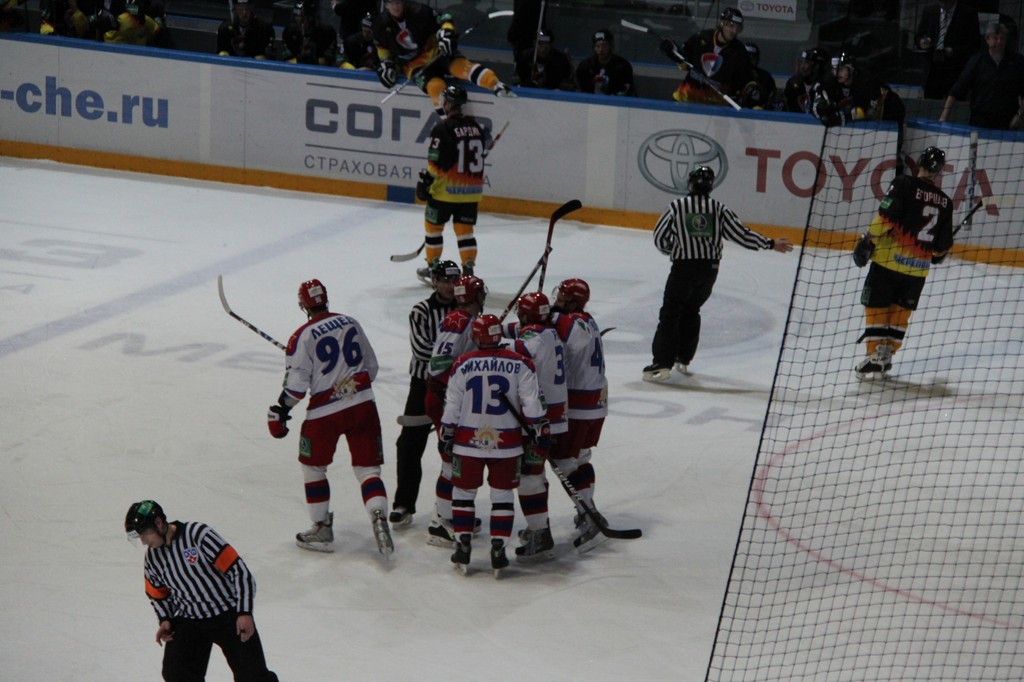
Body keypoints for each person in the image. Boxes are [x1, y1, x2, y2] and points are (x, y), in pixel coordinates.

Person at [266, 279, 394, 557]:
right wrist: (348, 384)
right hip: (363, 405)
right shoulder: (350, 322)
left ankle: (322, 528)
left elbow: (295, 389)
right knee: (368, 470)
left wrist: (280, 410)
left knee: (313, 467)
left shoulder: (301, 337)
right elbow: (371, 367)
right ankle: (378, 513)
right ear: (326, 298)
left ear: (303, 305)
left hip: (325, 414)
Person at [643, 166, 793, 383]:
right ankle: (684, 356)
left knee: (671, 313)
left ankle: (662, 362)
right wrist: (769, 243)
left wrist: (672, 250)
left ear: (690, 183)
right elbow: (741, 234)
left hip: (683, 267)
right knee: (692, 309)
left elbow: (660, 238)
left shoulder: (677, 207)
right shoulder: (719, 209)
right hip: (709, 270)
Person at [125, 500, 279, 682]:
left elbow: (239, 572)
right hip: (190, 620)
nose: (143, 542)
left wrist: (244, 612)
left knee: (253, 677)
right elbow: (157, 594)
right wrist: (165, 619)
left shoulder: (198, 535)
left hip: (228, 615)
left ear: (159, 523)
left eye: (145, 535)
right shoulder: (152, 558)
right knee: (176, 673)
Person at [440, 314, 547, 575]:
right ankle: (498, 547)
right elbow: (533, 406)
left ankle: (463, 543)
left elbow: (452, 406)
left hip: (467, 442)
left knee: (463, 493)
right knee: (502, 495)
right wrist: (537, 430)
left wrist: (447, 433)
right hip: (507, 443)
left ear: (476, 337)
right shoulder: (521, 363)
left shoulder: (463, 363)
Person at [851, 146, 954, 379]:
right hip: (917, 272)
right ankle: (887, 355)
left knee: (876, 305)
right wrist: (938, 254)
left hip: (888, 262)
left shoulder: (904, 184)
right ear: (939, 171)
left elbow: (886, 217)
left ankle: (875, 354)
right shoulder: (946, 203)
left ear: (920, 162)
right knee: (900, 312)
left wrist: (868, 239)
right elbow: (941, 246)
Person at [390, 259, 461, 528]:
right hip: (423, 385)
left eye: (454, 281)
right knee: (409, 444)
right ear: (434, 282)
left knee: (459, 447)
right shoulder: (421, 311)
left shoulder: (466, 309)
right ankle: (404, 504)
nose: (450, 286)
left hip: (458, 389)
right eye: (445, 281)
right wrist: (456, 355)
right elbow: (422, 350)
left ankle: (455, 508)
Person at [423, 274, 487, 547]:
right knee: (451, 460)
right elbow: (438, 364)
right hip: (444, 398)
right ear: (476, 296)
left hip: (451, 398)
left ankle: (449, 514)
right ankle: (441, 522)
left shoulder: (466, 320)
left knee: (456, 458)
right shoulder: (458, 321)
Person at [548, 278, 611, 552]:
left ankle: (588, 514)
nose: (557, 300)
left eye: (562, 297)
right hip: (597, 401)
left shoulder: (569, 323)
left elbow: (548, 327)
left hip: (578, 404)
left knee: (563, 460)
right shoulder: (588, 320)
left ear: (573, 302)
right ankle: (588, 510)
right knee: (582, 457)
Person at [373, 0, 513, 116]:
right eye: (391, 3)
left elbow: (444, 18)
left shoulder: (418, 10)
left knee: (461, 67)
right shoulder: (380, 25)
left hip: (437, 51)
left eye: (398, 2)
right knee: (435, 87)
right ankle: (447, 119)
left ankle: (496, 85)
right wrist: (387, 64)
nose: (395, 6)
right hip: (413, 64)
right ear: (386, 5)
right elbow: (381, 47)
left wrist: (446, 31)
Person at [509, 292, 566, 562]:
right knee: (535, 474)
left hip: (536, 418)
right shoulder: (551, 332)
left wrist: (483, 336)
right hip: (554, 413)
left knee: (529, 476)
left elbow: (508, 353)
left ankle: (540, 534)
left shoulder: (530, 339)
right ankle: (539, 527)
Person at [415, 84, 489, 281]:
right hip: (471, 192)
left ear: (448, 104)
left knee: (433, 229)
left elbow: (436, 163)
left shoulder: (442, 128)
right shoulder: (476, 128)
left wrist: (426, 181)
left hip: (445, 192)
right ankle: (468, 271)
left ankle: (433, 269)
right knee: (465, 232)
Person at [814, 52, 907, 171]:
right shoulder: (831, 80)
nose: (836, 73)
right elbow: (818, 100)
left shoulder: (867, 81)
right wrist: (822, 110)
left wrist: (845, 116)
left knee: (891, 153)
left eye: (841, 69)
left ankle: (898, 171)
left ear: (852, 69)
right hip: (866, 114)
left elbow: (871, 112)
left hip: (890, 112)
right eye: (834, 69)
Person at [941, 22, 1024, 130]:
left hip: (1007, 123)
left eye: (1002, 39)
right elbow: (956, 90)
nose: (999, 42)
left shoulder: (1017, 62)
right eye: (995, 38)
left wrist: (1020, 115)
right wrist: (944, 117)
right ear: (987, 39)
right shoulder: (976, 62)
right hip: (979, 122)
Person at [660, 8, 752, 105]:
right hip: (686, 98)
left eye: (738, 28)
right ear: (722, 23)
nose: (734, 31)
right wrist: (671, 52)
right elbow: (684, 62)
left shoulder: (739, 52)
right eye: (731, 25)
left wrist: (741, 92)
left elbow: (742, 80)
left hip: (716, 106)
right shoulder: (702, 37)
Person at [915, 0, 981, 100]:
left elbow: (974, 45)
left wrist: (954, 51)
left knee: (953, 103)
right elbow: (918, 36)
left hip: (955, 70)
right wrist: (922, 42)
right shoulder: (929, 10)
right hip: (932, 69)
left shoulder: (968, 14)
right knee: (931, 102)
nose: (943, 4)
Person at [575, 29, 636, 96]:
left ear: (611, 46)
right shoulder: (585, 66)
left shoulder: (622, 66)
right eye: (597, 46)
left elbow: (627, 91)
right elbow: (580, 90)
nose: (601, 50)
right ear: (594, 48)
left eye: (604, 46)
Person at [282, 0, 338, 66]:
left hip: (320, 67)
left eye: (308, 17)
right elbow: (287, 58)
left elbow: (329, 59)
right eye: (298, 16)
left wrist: (314, 59)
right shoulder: (289, 32)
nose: (302, 20)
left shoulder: (327, 32)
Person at [782, 46, 832, 113]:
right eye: (802, 62)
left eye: (807, 63)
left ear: (817, 66)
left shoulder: (827, 86)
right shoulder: (793, 83)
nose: (802, 67)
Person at [739, 42, 778, 109]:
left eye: (752, 58)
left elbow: (771, 99)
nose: (748, 62)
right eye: (745, 58)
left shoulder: (765, 78)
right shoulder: (732, 75)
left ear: (757, 59)